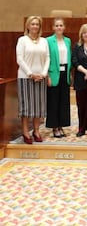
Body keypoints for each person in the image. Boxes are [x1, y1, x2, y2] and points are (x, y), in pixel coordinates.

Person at [16, 16, 50, 144]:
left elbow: (47, 58)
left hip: (40, 77)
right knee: (26, 107)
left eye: (37, 24)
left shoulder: (44, 41)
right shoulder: (22, 40)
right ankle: (25, 132)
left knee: (38, 107)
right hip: (26, 77)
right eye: (33, 24)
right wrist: (31, 74)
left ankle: (36, 131)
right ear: (28, 26)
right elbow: (20, 59)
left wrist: (43, 73)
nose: (35, 26)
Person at [46, 17, 72, 138]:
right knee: (53, 101)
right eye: (57, 25)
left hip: (65, 73)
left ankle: (61, 125)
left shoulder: (68, 41)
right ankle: (54, 127)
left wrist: (70, 74)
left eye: (61, 25)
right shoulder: (48, 41)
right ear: (53, 27)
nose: (59, 27)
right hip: (53, 73)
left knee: (64, 101)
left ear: (64, 27)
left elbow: (70, 58)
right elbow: (46, 59)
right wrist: (47, 76)